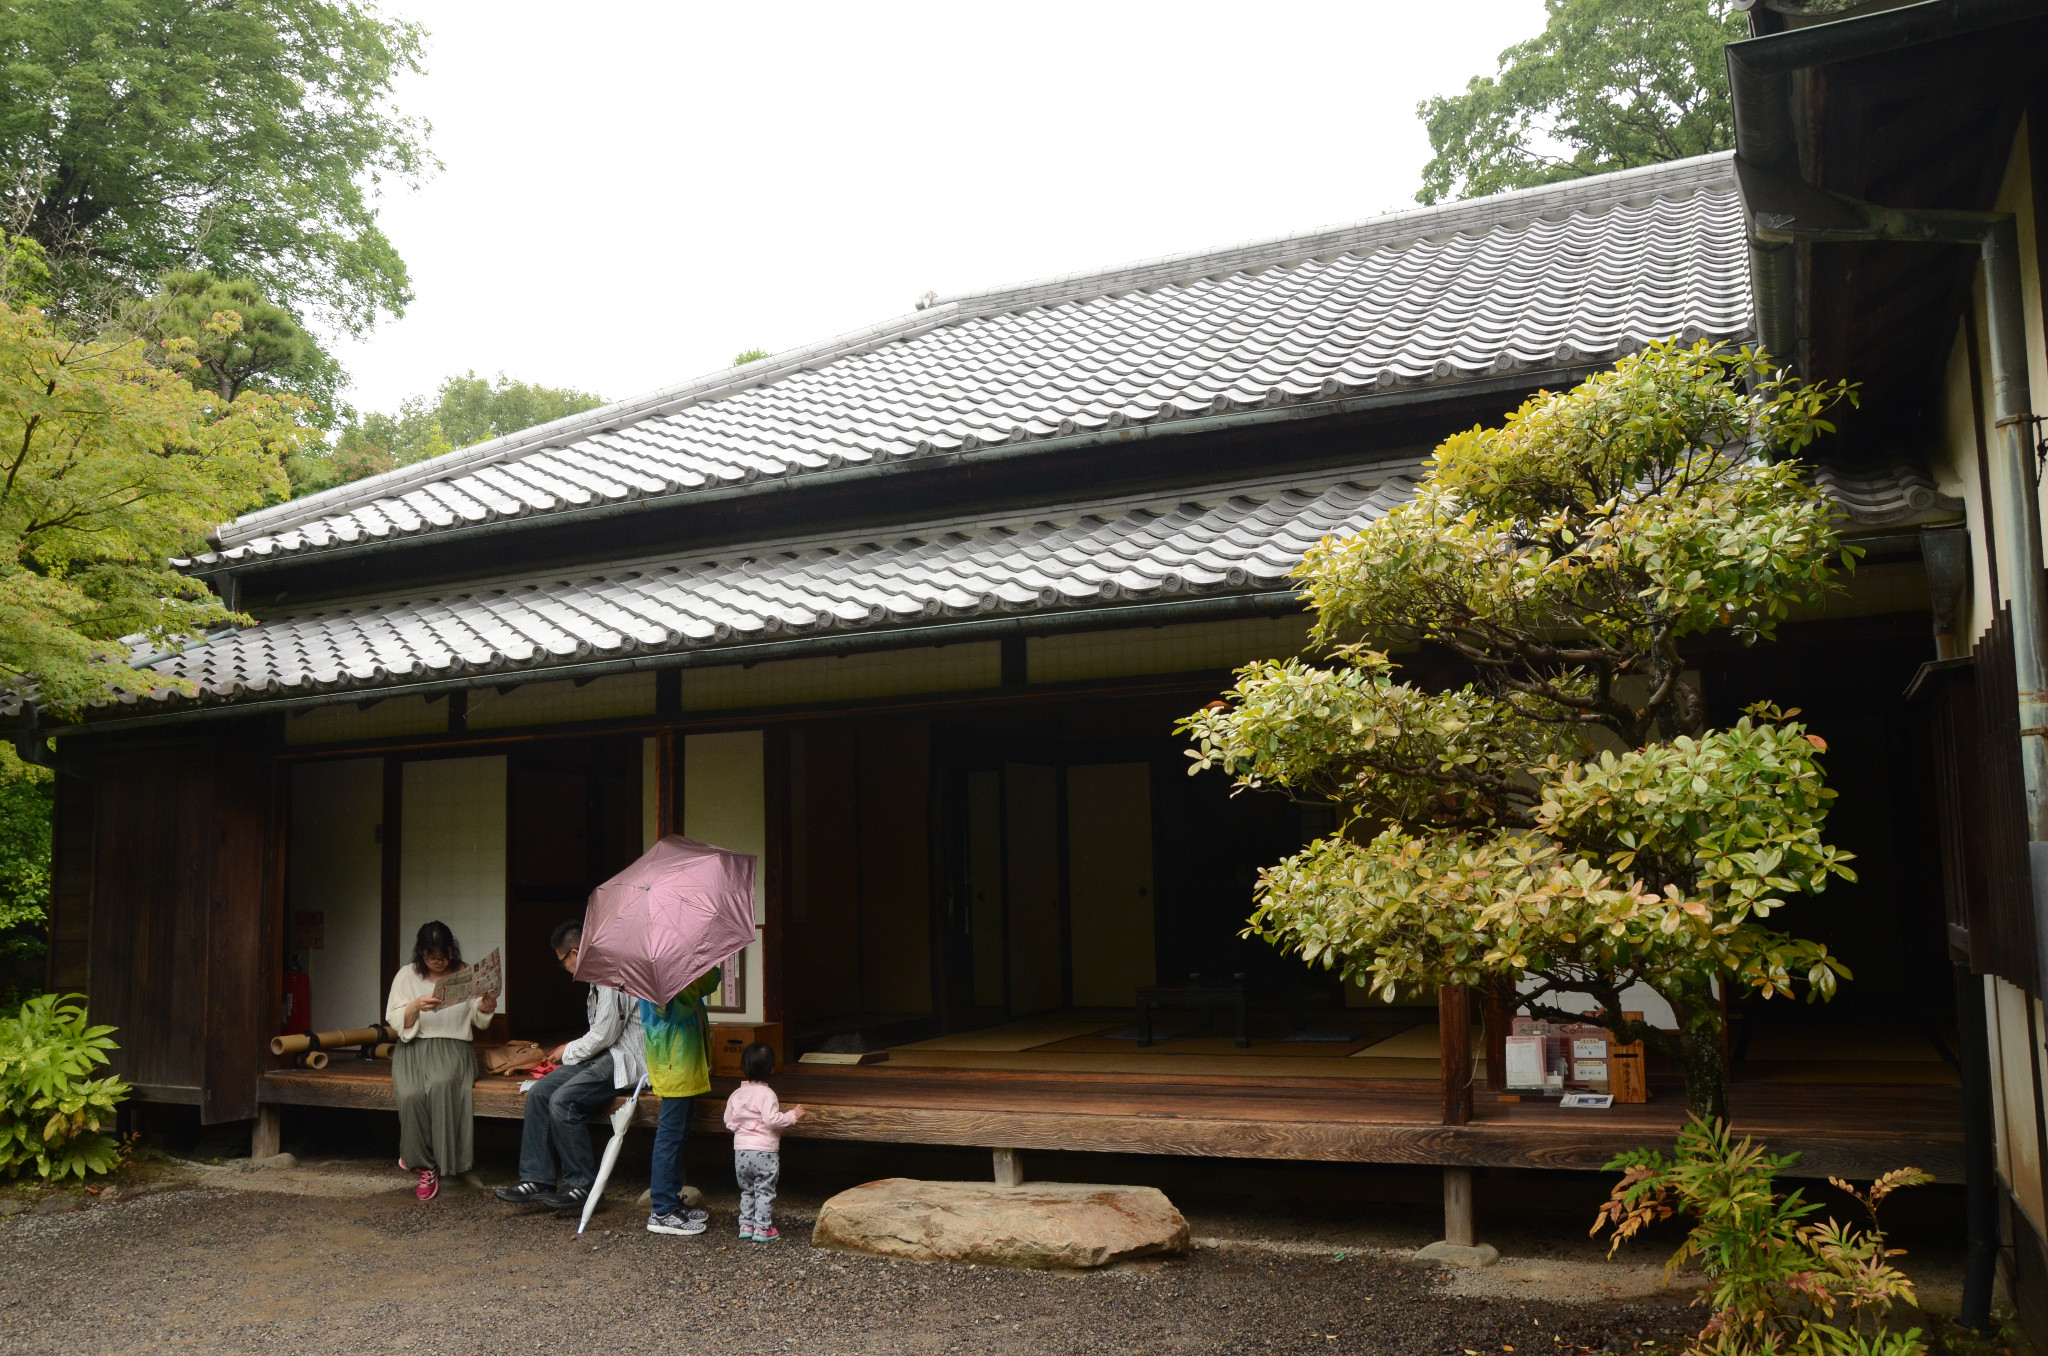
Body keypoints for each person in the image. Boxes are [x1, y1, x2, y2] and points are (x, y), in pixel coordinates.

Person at [494, 919, 655, 1214]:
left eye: (563, 961)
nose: (565, 969)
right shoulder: (598, 975)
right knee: (541, 1092)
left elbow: (605, 1034)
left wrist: (568, 1050)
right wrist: (571, 1052)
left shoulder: (612, 973)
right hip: (603, 1054)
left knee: (564, 1101)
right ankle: (537, 1178)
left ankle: (581, 1184)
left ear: (576, 952)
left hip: (625, 1058)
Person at [385, 920, 495, 1202]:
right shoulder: (406, 976)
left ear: (451, 950)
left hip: (453, 1046)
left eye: (443, 955)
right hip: (414, 1047)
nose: (437, 961)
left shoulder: (464, 973)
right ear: (421, 954)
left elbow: (478, 1019)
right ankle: (421, 1163)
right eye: (430, 956)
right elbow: (394, 1018)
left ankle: (441, 1163)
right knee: (410, 1094)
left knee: (441, 1084)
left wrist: (485, 1007)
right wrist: (414, 1007)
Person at [639, 963, 723, 1237]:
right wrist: (692, 975)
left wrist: (705, 966)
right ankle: (662, 1210)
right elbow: (675, 1009)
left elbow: (710, 985)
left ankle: (672, 1201)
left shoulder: (679, 960)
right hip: (673, 1061)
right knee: (670, 1135)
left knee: (679, 1132)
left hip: (685, 1060)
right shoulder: (652, 971)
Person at [721, 1041, 804, 1242]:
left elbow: (727, 1120)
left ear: (743, 1067)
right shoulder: (767, 1094)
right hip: (764, 1151)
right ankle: (762, 1228)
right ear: (771, 1069)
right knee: (764, 1191)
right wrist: (792, 1115)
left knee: (747, 1190)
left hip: (741, 1151)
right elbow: (772, 1120)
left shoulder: (736, 1094)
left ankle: (746, 1225)